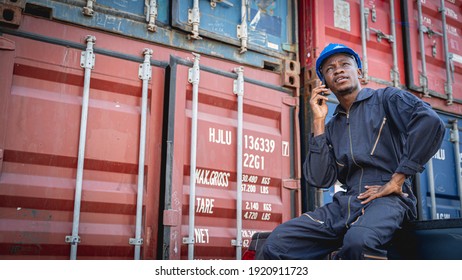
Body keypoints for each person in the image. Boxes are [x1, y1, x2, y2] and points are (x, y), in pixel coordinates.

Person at [261, 43, 446, 259]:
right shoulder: (332, 127)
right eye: (329, 69)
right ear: (324, 83)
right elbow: (320, 179)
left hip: (389, 199)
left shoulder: (387, 99)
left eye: (344, 65)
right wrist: (319, 121)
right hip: (347, 202)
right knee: (278, 242)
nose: (337, 70)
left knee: (359, 242)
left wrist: (397, 180)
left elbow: (431, 122)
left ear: (358, 72)